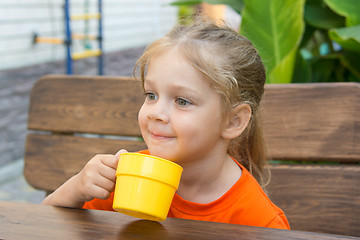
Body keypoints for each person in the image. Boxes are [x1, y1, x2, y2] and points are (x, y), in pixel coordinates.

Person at [43, 18, 290, 230]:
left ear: (233, 121)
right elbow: (40, 226)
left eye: (182, 101)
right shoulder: (125, 179)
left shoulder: (259, 221)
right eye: (151, 95)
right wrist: (77, 188)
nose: (156, 113)